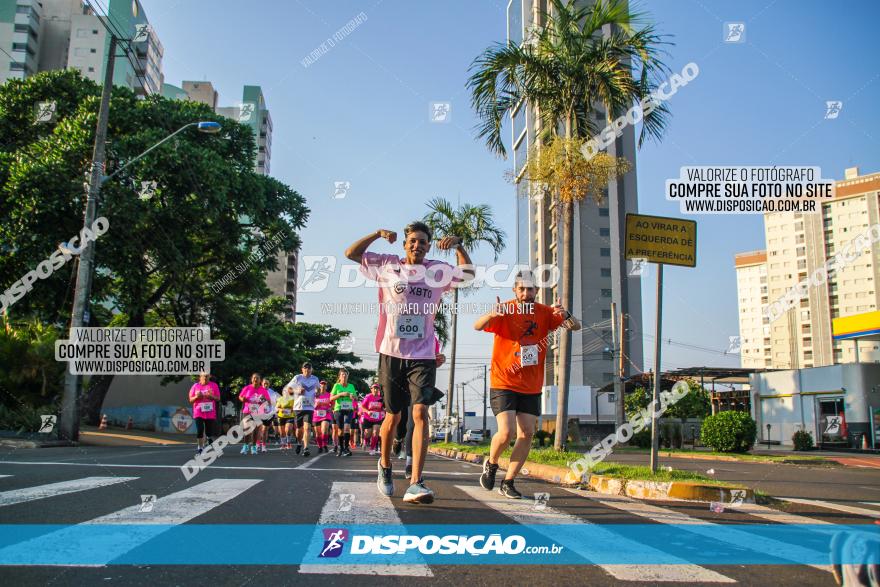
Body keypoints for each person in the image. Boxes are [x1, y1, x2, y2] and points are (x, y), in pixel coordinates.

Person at [345, 221, 473, 503]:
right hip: (391, 352)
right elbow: (351, 253)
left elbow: (468, 274)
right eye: (412, 241)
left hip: (423, 354)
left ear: (428, 246)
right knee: (393, 416)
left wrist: (459, 246)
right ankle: (385, 466)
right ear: (405, 244)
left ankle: (416, 480)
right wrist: (377, 234)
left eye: (422, 242)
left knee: (419, 414)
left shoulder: (437, 270)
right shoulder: (387, 265)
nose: (417, 245)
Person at [474, 270, 581, 498]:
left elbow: (575, 327)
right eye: (521, 288)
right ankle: (491, 464)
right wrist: (492, 314)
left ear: (536, 291)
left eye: (530, 288)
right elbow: (478, 326)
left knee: (527, 433)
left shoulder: (544, 312)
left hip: (531, 385)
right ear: (515, 290)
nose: (525, 293)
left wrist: (566, 314)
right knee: (507, 432)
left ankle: (509, 481)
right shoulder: (506, 309)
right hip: (504, 380)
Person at [285, 362, 320, 457]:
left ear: (311, 370)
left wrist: (317, 393)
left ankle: (306, 448)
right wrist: (297, 391)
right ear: (302, 369)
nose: (307, 370)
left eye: (309, 368)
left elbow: (318, 390)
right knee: (299, 430)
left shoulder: (315, 379)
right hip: (298, 407)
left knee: (307, 428)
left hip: (310, 407)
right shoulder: (297, 378)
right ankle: (299, 443)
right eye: (305, 368)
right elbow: (289, 390)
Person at [238, 373, 271, 455]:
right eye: (254, 378)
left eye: (257, 378)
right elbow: (240, 397)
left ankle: (253, 447)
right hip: (247, 411)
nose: (255, 380)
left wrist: (262, 400)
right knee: (247, 429)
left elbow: (268, 402)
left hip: (258, 412)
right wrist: (243, 399)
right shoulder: (247, 388)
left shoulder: (263, 390)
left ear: (260, 380)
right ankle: (245, 446)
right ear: (251, 379)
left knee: (256, 430)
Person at [188, 371, 220, 455]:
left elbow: (218, 398)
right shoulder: (195, 386)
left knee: (209, 431)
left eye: (207, 376)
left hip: (210, 412)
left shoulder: (214, 385)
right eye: (203, 376)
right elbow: (191, 400)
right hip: (198, 411)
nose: (205, 378)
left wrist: (211, 396)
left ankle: (209, 438)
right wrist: (196, 397)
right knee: (200, 430)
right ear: (200, 377)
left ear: (210, 376)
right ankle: (200, 448)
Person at [330, 368, 358, 457]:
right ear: (340, 376)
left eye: (346, 374)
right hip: (338, 409)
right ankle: (341, 448)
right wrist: (341, 394)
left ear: (347, 376)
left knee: (346, 428)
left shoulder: (351, 386)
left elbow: (356, 398)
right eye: (342, 374)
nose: (344, 376)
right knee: (340, 430)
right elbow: (331, 398)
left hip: (349, 409)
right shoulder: (336, 386)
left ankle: (346, 448)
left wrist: (352, 396)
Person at [361, 384, 385, 456]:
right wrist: (368, 411)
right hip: (368, 417)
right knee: (368, 433)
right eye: (374, 388)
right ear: (371, 389)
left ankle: (372, 448)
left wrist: (383, 411)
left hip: (377, 418)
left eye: (377, 389)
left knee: (375, 432)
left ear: (379, 390)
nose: (375, 390)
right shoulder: (368, 397)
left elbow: (383, 408)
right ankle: (365, 440)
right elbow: (362, 406)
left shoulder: (381, 398)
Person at [313, 380, 333, 453]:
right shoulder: (315, 395)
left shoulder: (329, 395)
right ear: (319, 386)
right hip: (316, 415)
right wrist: (316, 406)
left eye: (324, 384)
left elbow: (333, 403)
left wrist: (331, 408)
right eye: (321, 384)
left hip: (326, 415)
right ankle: (320, 446)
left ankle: (324, 444)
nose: (323, 386)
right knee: (318, 433)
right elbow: (311, 404)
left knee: (324, 429)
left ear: (326, 386)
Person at [261, 378, 279, 453]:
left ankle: (263, 446)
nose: (265, 385)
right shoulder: (258, 391)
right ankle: (257, 444)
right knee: (258, 430)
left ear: (269, 384)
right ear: (262, 383)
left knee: (264, 430)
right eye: (264, 383)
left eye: (267, 383)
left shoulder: (272, 393)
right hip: (258, 413)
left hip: (268, 413)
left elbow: (274, 404)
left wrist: (275, 413)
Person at [276, 385, 296, 450]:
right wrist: (280, 409)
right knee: (281, 432)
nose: (285, 392)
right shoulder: (280, 399)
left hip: (290, 416)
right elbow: (277, 407)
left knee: (288, 429)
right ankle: (283, 444)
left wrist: (293, 409)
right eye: (284, 391)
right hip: (281, 416)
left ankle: (288, 443)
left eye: (286, 391)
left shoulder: (293, 399)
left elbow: (296, 406)